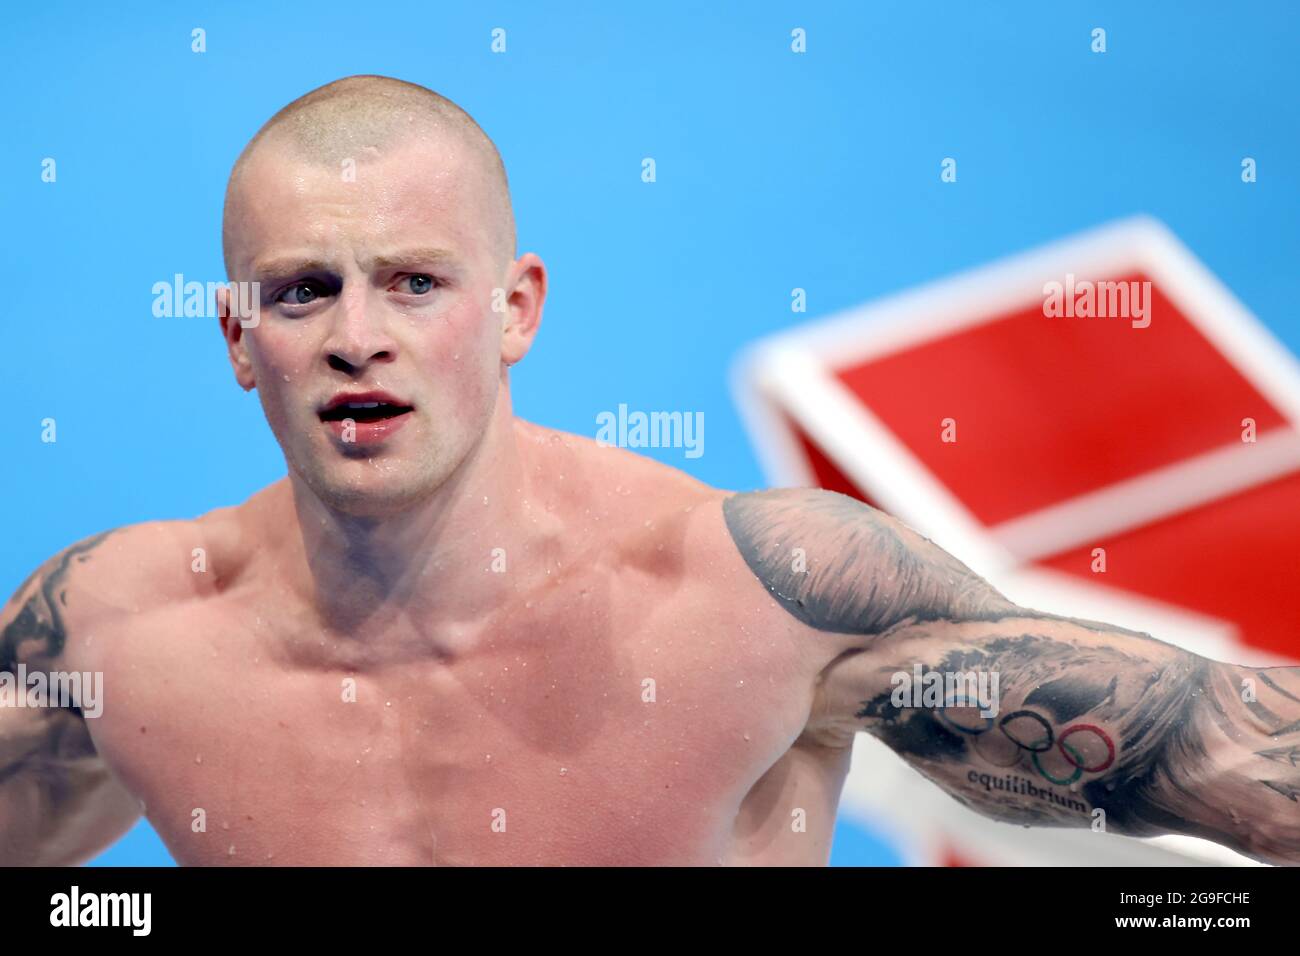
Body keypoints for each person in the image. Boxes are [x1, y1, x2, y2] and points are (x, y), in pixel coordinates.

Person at [2, 75, 1296, 867]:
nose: (357, 337)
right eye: (302, 293)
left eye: (413, 282)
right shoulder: (123, 633)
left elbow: (1212, 747)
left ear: (515, 311)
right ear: (237, 337)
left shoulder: (762, 599)